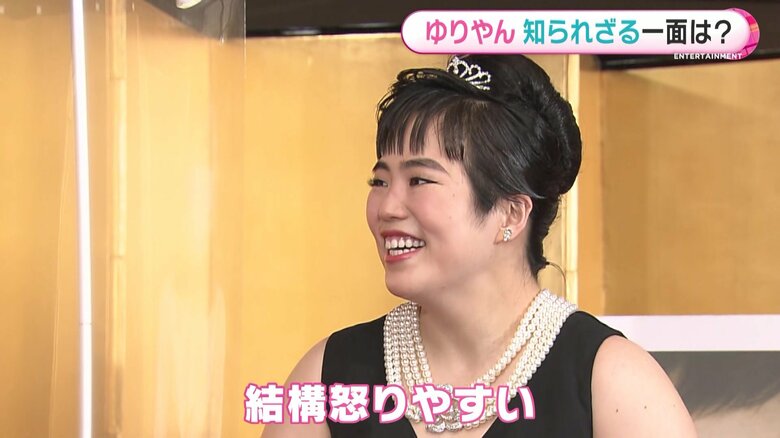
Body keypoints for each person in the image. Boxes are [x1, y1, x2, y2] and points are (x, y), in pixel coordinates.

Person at [263, 55, 696, 437]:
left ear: (510, 213)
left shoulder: (612, 383)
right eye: (379, 181)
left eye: (419, 180)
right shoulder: (329, 375)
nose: (387, 207)